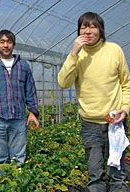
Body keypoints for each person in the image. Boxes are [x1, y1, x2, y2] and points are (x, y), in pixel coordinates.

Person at [58, 12, 130, 191]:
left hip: (115, 122)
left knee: (117, 170)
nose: (88, 31)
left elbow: (126, 84)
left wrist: (125, 109)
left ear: (101, 30)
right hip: (90, 123)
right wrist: (74, 52)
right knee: (95, 172)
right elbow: (63, 82)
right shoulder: (77, 56)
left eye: (92, 26)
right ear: (78, 31)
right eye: (83, 27)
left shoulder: (114, 50)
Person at [0, 29, 39, 174]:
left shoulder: (23, 65)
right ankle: (3, 184)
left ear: (13, 44)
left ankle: (17, 184)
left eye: (9, 42)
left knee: (18, 157)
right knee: (1, 158)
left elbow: (30, 90)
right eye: (2, 42)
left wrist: (33, 112)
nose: (6, 45)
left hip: (18, 117)